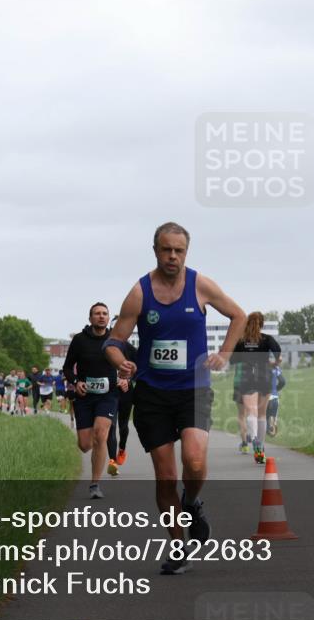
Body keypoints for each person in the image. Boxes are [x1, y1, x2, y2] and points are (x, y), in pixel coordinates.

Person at [104, 222, 246, 575]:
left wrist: (225, 354)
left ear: (186, 252)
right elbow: (113, 341)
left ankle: (192, 502)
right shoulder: (139, 293)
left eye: (178, 250)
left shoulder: (200, 286)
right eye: (166, 249)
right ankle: (179, 546)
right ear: (155, 250)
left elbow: (239, 316)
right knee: (166, 476)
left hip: (193, 389)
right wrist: (121, 362)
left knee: (194, 461)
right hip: (152, 395)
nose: (172, 256)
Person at [64, 303, 124, 497]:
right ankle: (94, 444)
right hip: (84, 397)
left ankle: (94, 485)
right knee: (85, 445)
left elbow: (130, 364)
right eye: (97, 313)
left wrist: (125, 379)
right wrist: (76, 382)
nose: (101, 316)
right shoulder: (80, 340)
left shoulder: (116, 340)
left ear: (108, 318)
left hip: (108, 395)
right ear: (90, 318)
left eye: (105, 313)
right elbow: (67, 367)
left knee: (100, 434)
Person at [232, 312, 282, 464]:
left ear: (247, 323)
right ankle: (260, 448)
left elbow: (233, 360)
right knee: (262, 414)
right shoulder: (267, 339)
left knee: (251, 412)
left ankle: (253, 438)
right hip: (264, 376)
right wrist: (274, 363)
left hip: (247, 377)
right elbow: (278, 356)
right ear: (262, 324)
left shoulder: (241, 341)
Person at [106, 321, 137, 474]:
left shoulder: (130, 349)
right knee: (110, 426)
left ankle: (122, 449)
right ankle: (112, 462)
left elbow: (139, 370)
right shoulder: (104, 347)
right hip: (109, 391)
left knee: (123, 426)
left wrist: (128, 379)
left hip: (126, 392)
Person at [232, 361, 248, 453]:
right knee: (252, 414)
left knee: (241, 415)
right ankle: (257, 443)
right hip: (252, 385)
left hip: (238, 384)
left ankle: (245, 444)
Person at [266, 364, 286, 437]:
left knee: (261, 419)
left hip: (263, 397)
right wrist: (276, 389)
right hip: (274, 396)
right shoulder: (275, 367)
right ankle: (273, 425)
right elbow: (282, 381)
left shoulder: (259, 366)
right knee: (273, 415)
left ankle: (267, 428)